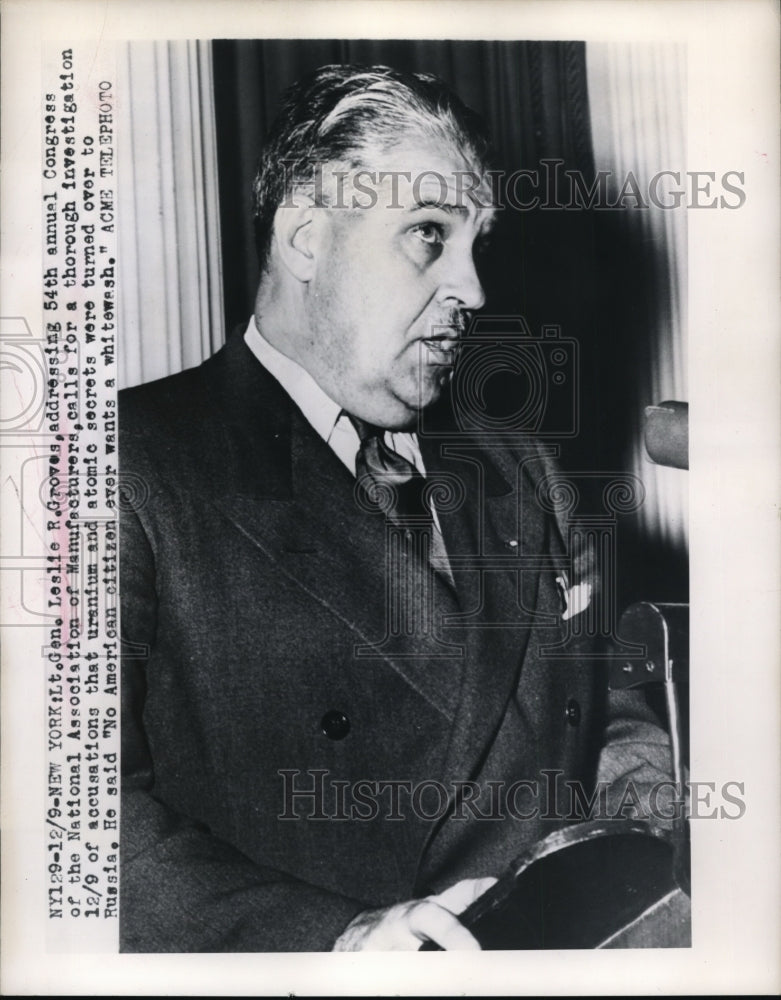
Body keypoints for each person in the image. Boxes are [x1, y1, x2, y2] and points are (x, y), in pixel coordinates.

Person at [119, 64, 673, 952]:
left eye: (476, 244)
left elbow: (613, 709)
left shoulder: (521, 467)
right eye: (427, 234)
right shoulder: (130, 464)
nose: (473, 291)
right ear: (305, 236)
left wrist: (643, 850)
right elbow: (78, 828)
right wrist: (338, 939)